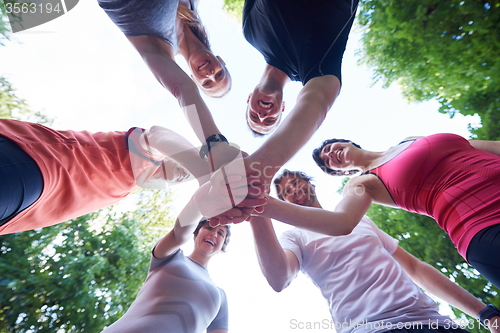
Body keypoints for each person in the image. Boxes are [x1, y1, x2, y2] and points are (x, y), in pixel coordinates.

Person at [249, 169, 500, 333]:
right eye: (285, 192)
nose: (293, 190)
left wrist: (485, 313)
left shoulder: (360, 220)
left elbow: (415, 268)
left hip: (434, 323)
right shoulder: (294, 236)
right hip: (368, 329)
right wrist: (257, 210)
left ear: (308, 183)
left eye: (294, 182)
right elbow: (279, 279)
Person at [301, 133, 500, 288]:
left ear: (347, 142)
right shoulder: (361, 183)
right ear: (341, 172)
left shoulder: (409, 139)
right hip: (481, 224)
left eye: (328, 149)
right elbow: (341, 222)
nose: (329, 155)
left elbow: (476, 146)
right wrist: (270, 207)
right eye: (327, 162)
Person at [0, 118, 257, 235]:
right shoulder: (140, 153)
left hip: (20, 212)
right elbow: (157, 134)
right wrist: (206, 174)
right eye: (186, 165)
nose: (182, 175)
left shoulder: (126, 187)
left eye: (184, 178)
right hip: (36, 162)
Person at [98, 0, 237, 171]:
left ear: (194, 79)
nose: (210, 74)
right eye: (219, 74)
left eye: (207, 83)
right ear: (221, 61)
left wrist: (216, 147)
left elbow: (183, 89)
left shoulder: (162, 50)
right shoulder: (193, 7)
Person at [101, 213, 230, 333]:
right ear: (196, 232)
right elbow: (177, 235)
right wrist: (202, 202)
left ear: (223, 245)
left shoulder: (220, 296)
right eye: (209, 227)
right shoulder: (172, 255)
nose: (214, 234)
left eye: (221, 233)